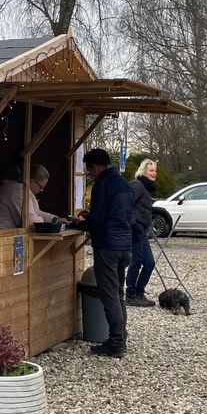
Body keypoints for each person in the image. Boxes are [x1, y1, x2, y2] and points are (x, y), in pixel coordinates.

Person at [72, 148, 134, 358]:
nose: (90, 175)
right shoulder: (125, 184)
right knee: (119, 293)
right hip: (125, 245)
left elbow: (97, 221)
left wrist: (80, 223)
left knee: (109, 296)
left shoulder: (102, 184)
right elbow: (119, 214)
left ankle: (116, 343)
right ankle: (121, 337)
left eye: (89, 171)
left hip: (107, 246)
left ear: (96, 166)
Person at [0, 163, 67, 230]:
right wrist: (48, 223)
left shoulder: (23, 190)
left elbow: (36, 212)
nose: (42, 190)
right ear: (31, 181)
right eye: (40, 187)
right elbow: (31, 223)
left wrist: (55, 220)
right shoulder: (17, 190)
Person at [125, 159, 159, 307]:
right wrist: (134, 225)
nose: (154, 173)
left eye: (155, 171)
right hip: (135, 230)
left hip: (143, 230)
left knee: (150, 263)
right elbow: (127, 205)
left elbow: (143, 207)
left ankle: (139, 292)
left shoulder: (146, 187)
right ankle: (131, 294)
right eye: (151, 170)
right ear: (143, 171)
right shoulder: (137, 185)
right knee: (137, 261)